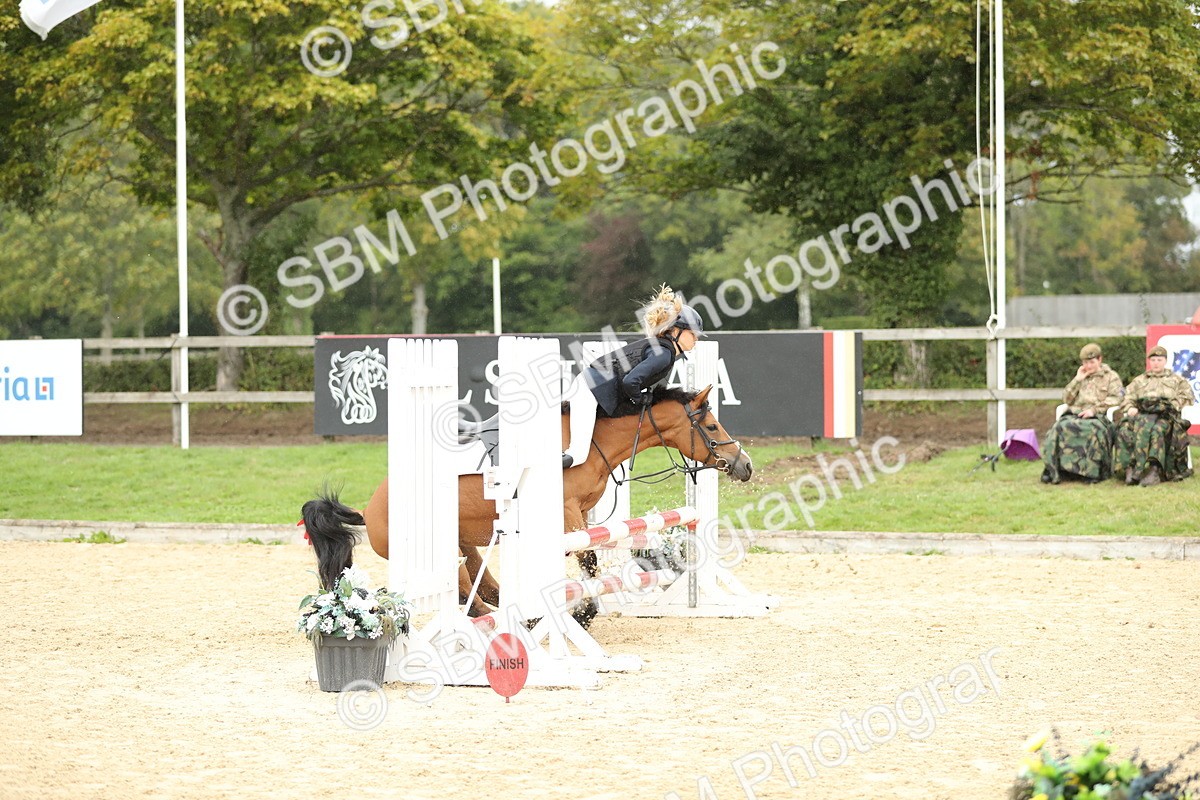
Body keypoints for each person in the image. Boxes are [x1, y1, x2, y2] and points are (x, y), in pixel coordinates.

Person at [562, 285, 703, 468]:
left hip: (594, 386)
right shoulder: (664, 354)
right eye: (693, 334)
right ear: (676, 331)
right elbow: (631, 381)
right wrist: (641, 398)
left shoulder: (663, 349)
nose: (696, 339)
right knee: (579, 454)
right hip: (590, 390)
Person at [1040, 343, 1124, 484]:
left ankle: (1091, 472)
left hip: (1098, 416)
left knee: (1092, 430)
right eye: (1085, 362)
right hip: (1076, 414)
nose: (1089, 366)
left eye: (1092, 362)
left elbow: (1117, 398)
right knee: (1058, 428)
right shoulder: (1081, 377)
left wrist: (1094, 410)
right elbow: (1066, 399)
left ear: (1100, 360)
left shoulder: (1111, 377)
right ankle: (1053, 470)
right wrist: (1077, 380)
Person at [1113, 345, 1196, 486]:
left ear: (1165, 361)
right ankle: (1130, 468)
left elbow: (1188, 396)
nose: (1156, 363)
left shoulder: (1176, 380)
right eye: (1153, 360)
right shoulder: (1139, 380)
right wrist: (1130, 407)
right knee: (1124, 429)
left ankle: (1154, 470)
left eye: (1159, 359)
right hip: (1141, 416)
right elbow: (1127, 397)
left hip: (1165, 417)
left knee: (1157, 430)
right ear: (1149, 362)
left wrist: (1174, 404)